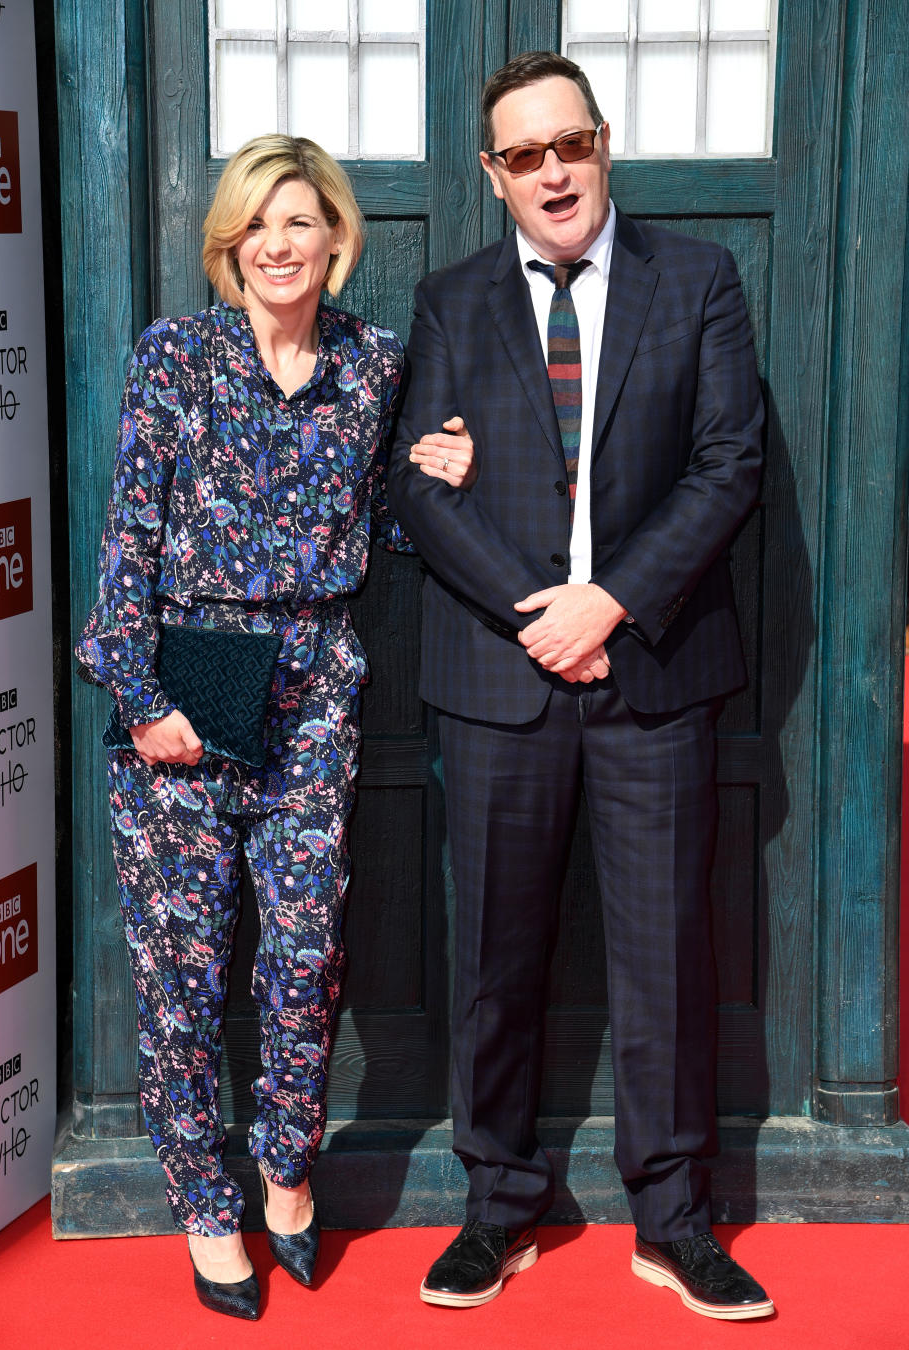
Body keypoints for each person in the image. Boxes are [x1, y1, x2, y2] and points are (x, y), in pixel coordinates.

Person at [388, 51, 773, 1322]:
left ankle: (676, 1222)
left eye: (572, 144)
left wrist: (613, 601)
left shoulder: (699, 281)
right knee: (496, 961)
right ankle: (495, 1209)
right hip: (502, 680)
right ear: (492, 174)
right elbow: (419, 488)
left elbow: (728, 465)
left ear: (604, 145)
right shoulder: (447, 303)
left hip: (656, 669)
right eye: (525, 154)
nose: (553, 170)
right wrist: (538, 614)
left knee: (668, 959)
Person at [74, 133, 474, 1320]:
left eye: (299, 222)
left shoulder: (376, 366)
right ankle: (208, 1205)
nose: (278, 244)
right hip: (187, 686)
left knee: (304, 962)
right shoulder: (175, 358)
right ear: (228, 245)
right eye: (256, 226)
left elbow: (388, 530)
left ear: (337, 239)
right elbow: (126, 546)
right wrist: (145, 705)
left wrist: (443, 474)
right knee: (183, 979)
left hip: (315, 691)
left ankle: (287, 1174)